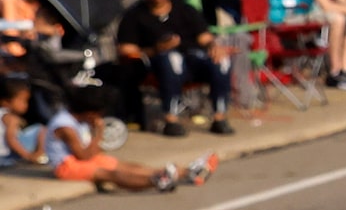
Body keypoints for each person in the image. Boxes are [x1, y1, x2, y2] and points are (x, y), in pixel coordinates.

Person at [1, 74, 212, 191]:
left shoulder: (74, 119)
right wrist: (98, 133)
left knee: (127, 166)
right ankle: (156, 180)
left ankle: (185, 171)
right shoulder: (64, 126)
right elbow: (83, 154)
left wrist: (95, 142)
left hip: (82, 159)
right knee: (111, 174)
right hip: (68, 167)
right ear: (90, 112)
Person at [110, 0, 233, 136]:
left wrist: (214, 46)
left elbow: (204, 37)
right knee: (171, 59)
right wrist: (157, 49)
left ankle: (220, 117)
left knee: (222, 61)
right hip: (155, 65)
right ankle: (171, 119)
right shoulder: (135, 15)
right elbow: (125, 49)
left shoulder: (185, 9)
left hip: (192, 60)